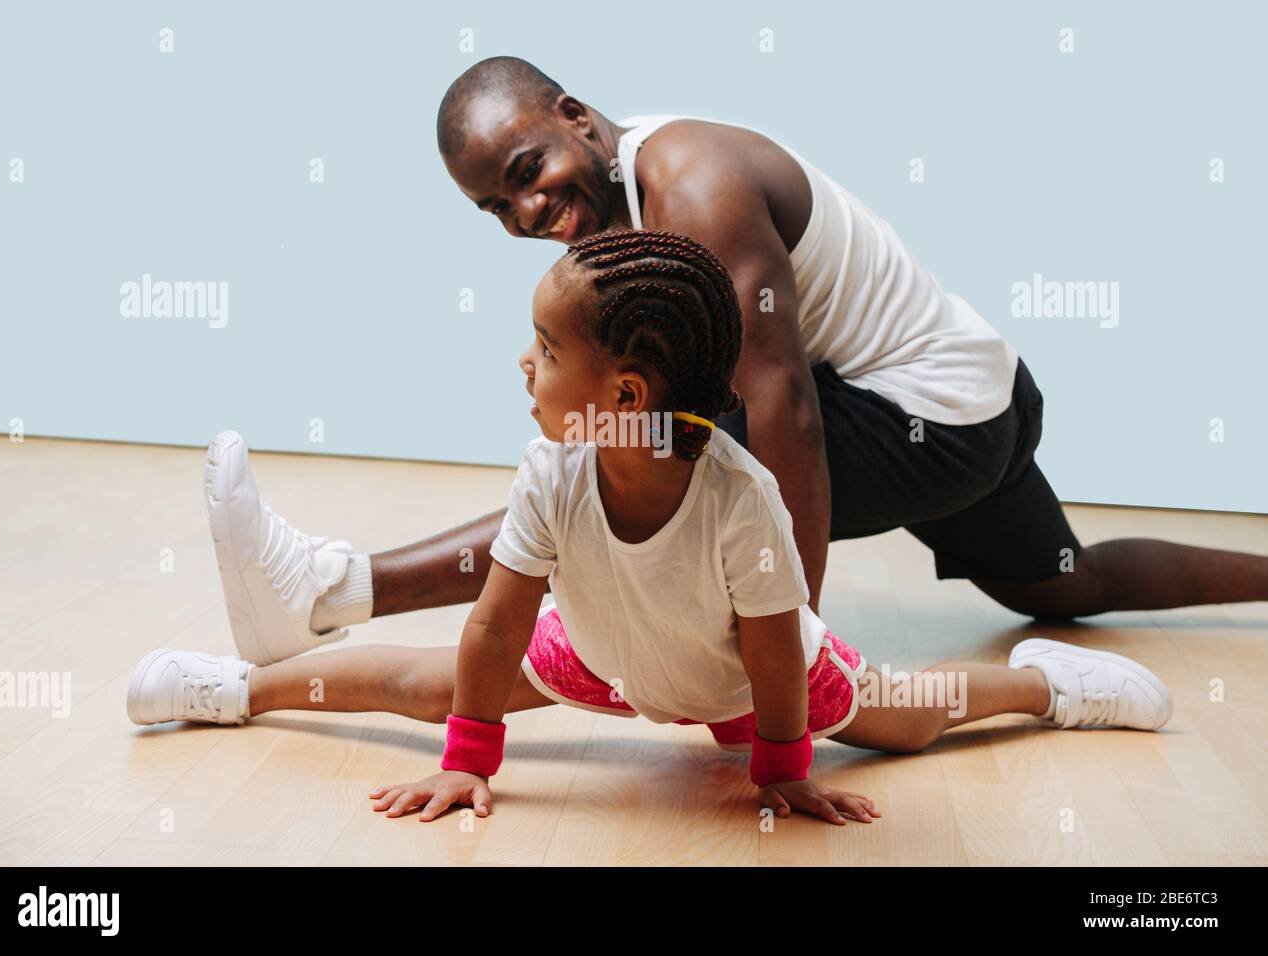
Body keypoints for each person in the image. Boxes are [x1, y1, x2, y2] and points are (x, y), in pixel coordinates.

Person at [201, 57, 1267, 672]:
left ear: (576, 114)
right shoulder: (619, 212)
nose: (526, 211)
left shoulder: (693, 186)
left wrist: (787, 650)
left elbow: (784, 411)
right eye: (496, 205)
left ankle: (327, 590)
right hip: (979, 397)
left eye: (528, 169)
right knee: (1060, 584)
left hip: (930, 420)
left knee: (626, 456)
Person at [129, 230, 1174, 825]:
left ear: (624, 386)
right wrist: (468, 755)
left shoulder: (738, 499)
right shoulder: (553, 469)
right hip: (600, 651)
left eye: (542, 344)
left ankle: (1046, 684)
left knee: (909, 715)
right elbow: (493, 629)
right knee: (428, 681)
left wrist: (777, 767)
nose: (522, 363)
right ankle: (238, 688)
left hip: (736, 678)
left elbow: (770, 652)